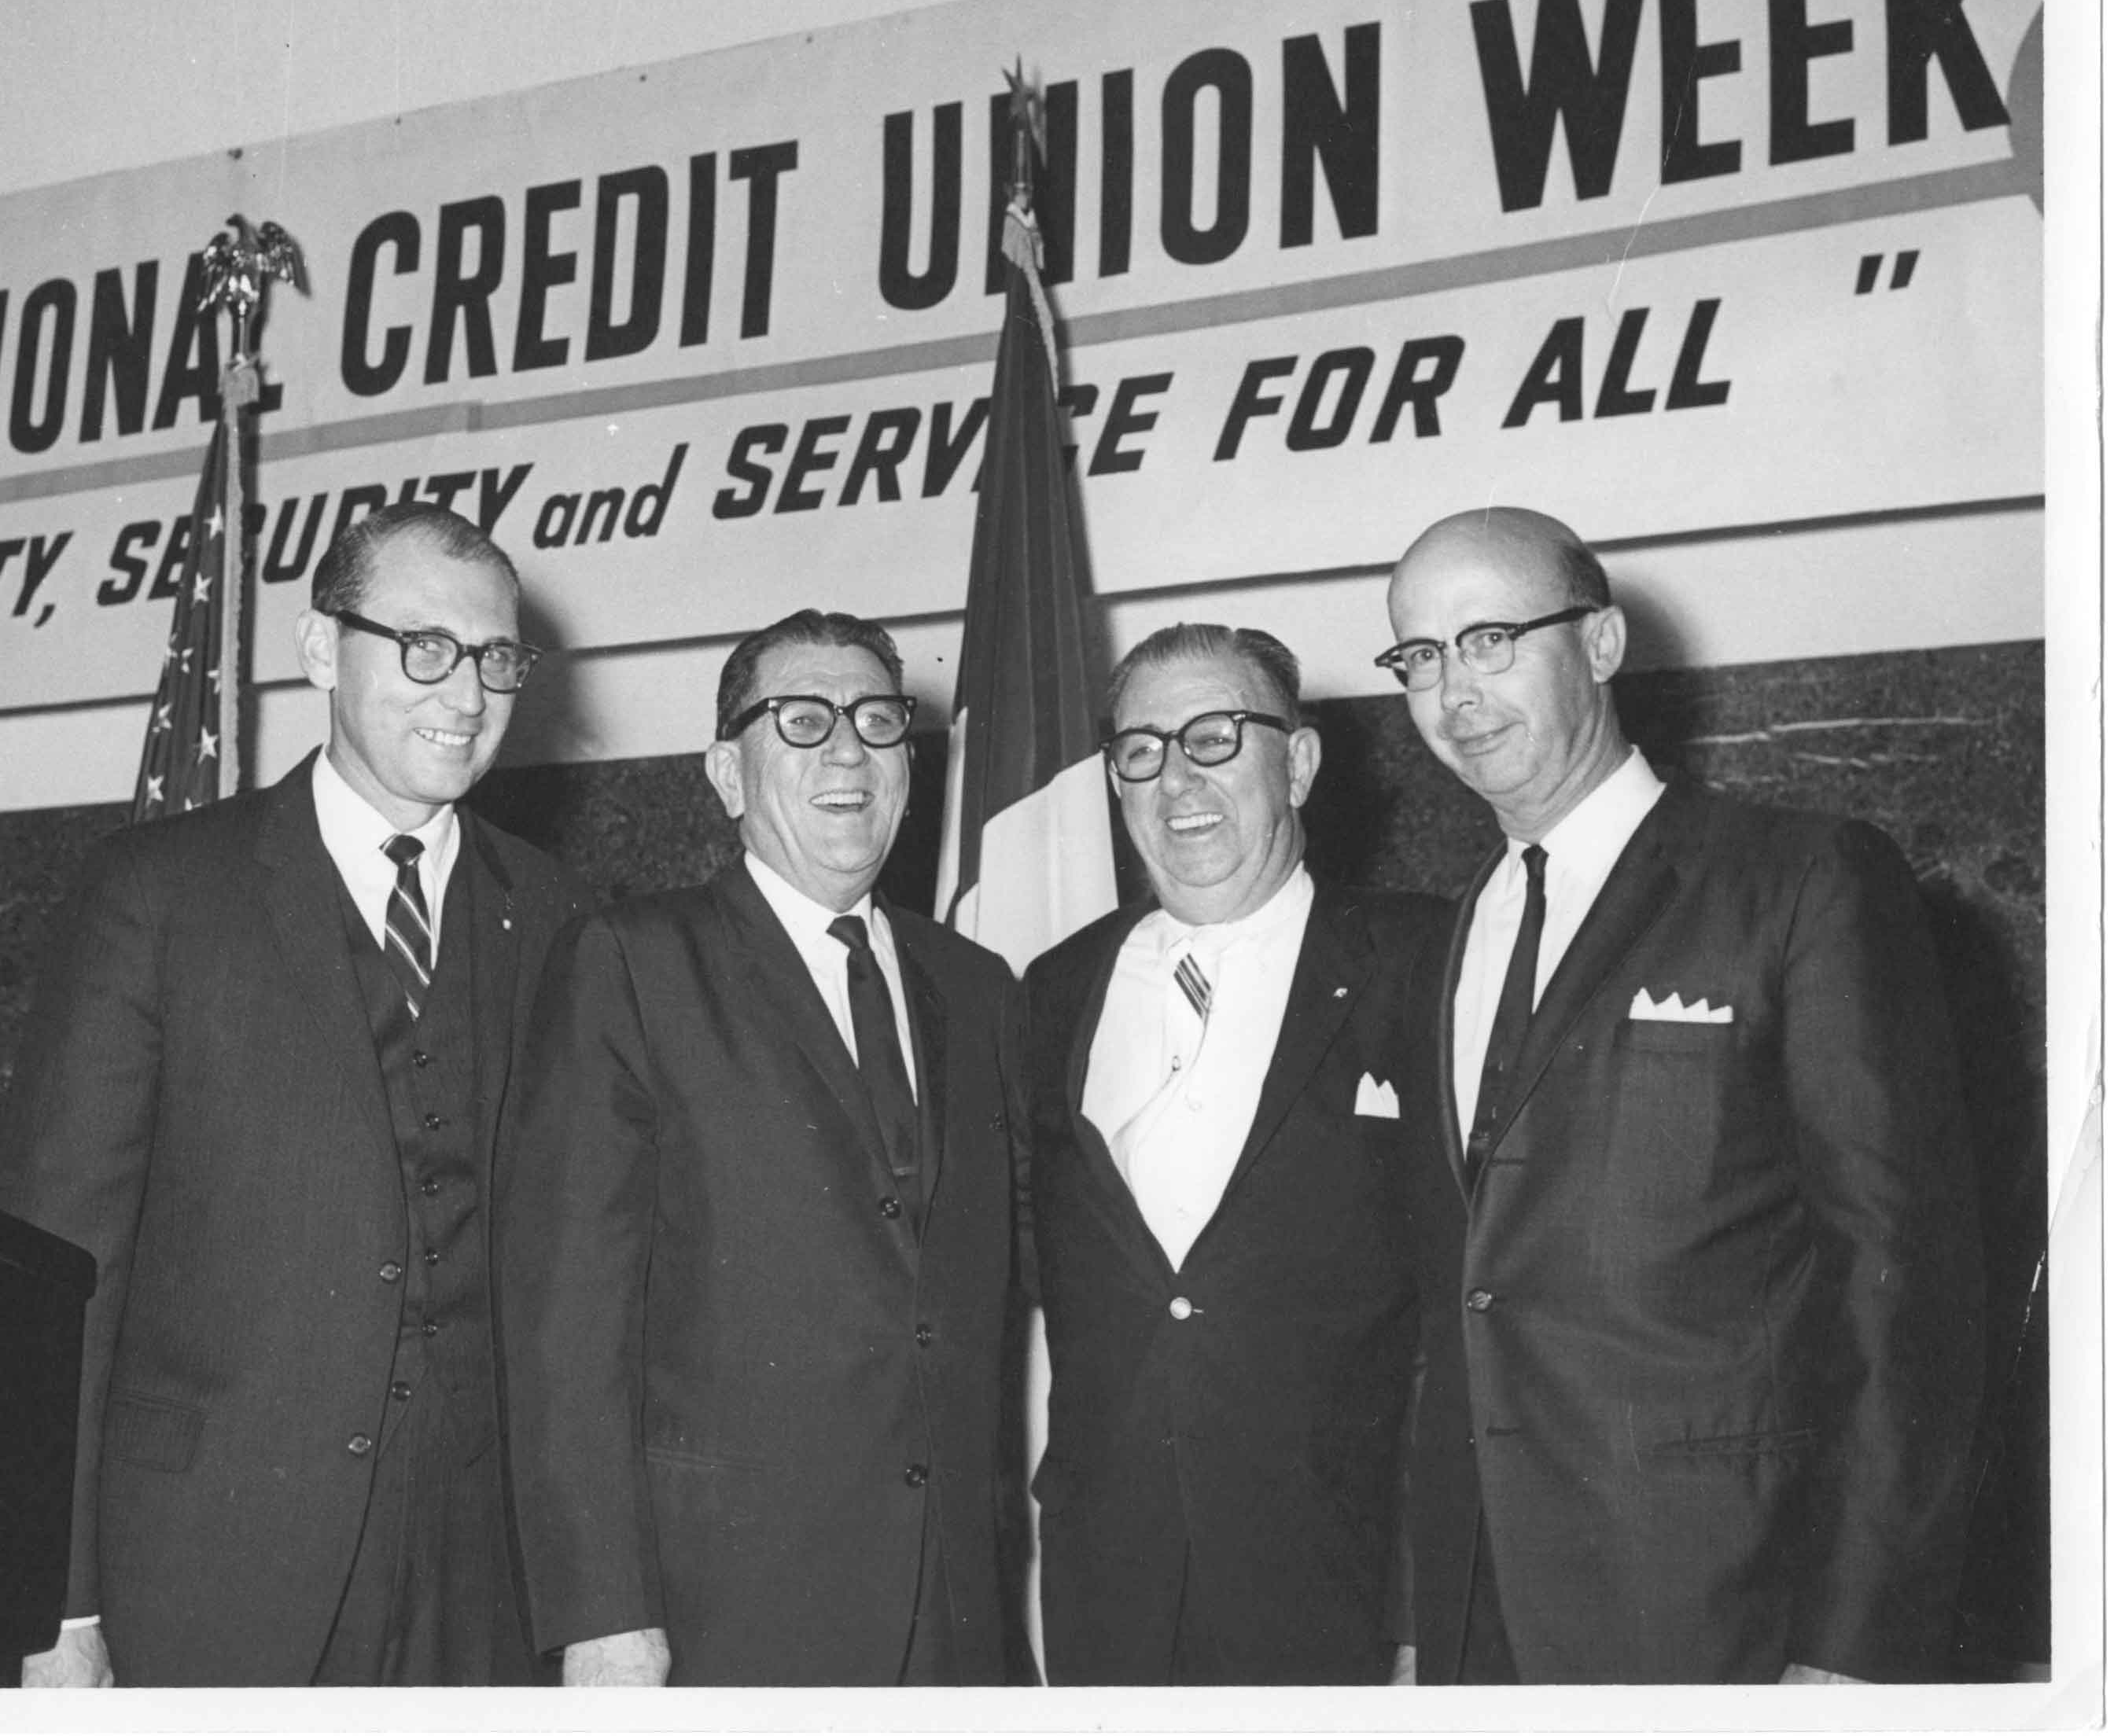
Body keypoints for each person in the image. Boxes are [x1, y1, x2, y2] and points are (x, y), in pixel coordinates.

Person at [1379, 505, 1983, 1685]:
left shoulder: (1799, 879)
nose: (1455, 691)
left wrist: (1857, 1647)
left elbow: (1901, 1282)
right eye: (1419, 657)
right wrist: (1418, 1616)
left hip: (1719, 1611)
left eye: (1491, 639)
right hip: (1479, 1619)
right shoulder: (1457, 931)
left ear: (1601, 644)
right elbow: (1454, 1299)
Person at [0, 503, 584, 1686]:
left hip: (487, 1595)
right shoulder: (157, 896)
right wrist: (53, 1610)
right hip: (212, 1576)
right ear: (320, 650)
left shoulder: (564, 917)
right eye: (425, 648)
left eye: (496, 658)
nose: (465, 694)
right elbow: (56, 1275)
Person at [497, 609, 1029, 1686]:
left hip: (958, 1616)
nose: (848, 749)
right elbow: (566, 1325)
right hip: (726, 1617)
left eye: (879, 721)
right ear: (726, 775)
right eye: (801, 720)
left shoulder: (979, 990)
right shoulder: (633, 964)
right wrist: (603, 1616)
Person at [1022, 623, 1449, 1684]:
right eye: (1142, 750)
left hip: (1344, 1595)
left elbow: (1471, 1317)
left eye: (1216, 737)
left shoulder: (1427, 961)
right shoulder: (1053, 989)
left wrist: (1419, 1607)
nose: (1177, 781)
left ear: (1297, 763)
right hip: (1107, 1600)